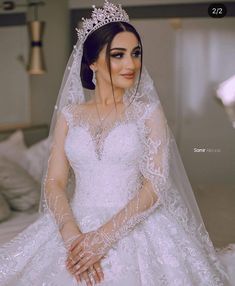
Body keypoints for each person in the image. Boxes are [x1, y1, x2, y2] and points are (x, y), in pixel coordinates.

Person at [0, 1, 234, 285]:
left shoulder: (148, 112)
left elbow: (155, 184)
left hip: (133, 222)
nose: (131, 64)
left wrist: (103, 237)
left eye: (135, 53)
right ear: (92, 62)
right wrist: (71, 233)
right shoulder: (70, 115)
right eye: (118, 55)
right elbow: (54, 182)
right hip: (72, 223)